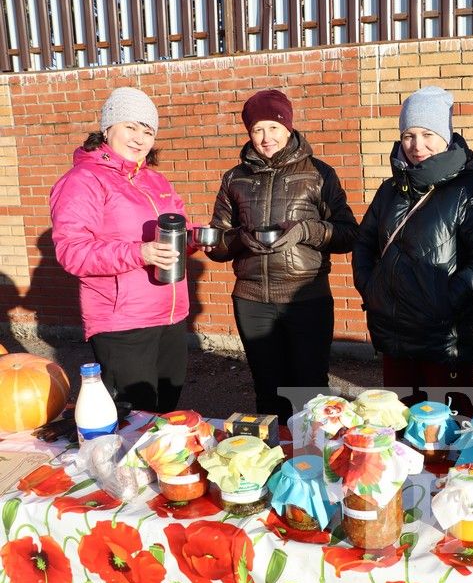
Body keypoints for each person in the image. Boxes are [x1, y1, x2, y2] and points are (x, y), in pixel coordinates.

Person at [352, 86, 473, 418]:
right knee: (398, 426)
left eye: (427, 134)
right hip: (395, 336)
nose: (416, 145)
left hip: (446, 342)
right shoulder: (390, 190)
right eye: (408, 135)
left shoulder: (470, 190)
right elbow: (364, 244)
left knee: (448, 436)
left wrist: (445, 301)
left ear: (446, 135)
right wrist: (371, 288)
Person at [206, 89, 358, 423]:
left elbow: (347, 233)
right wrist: (240, 239)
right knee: (268, 387)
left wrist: (305, 230)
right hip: (252, 300)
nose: (266, 137)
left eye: (273, 127)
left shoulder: (319, 173)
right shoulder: (235, 178)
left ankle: (314, 460)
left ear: (287, 128)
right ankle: (273, 458)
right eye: (257, 129)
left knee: (311, 390)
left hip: (306, 298)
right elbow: (217, 243)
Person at [50, 87, 196, 413]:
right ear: (107, 129)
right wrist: (139, 253)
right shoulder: (83, 180)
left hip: (171, 315)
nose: (140, 138)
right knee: (133, 421)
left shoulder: (156, 181)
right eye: (131, 127)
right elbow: (72, 252)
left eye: (148, 131)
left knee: (166, 418)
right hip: (122, 323)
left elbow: (179, 232)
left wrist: (197, 238)